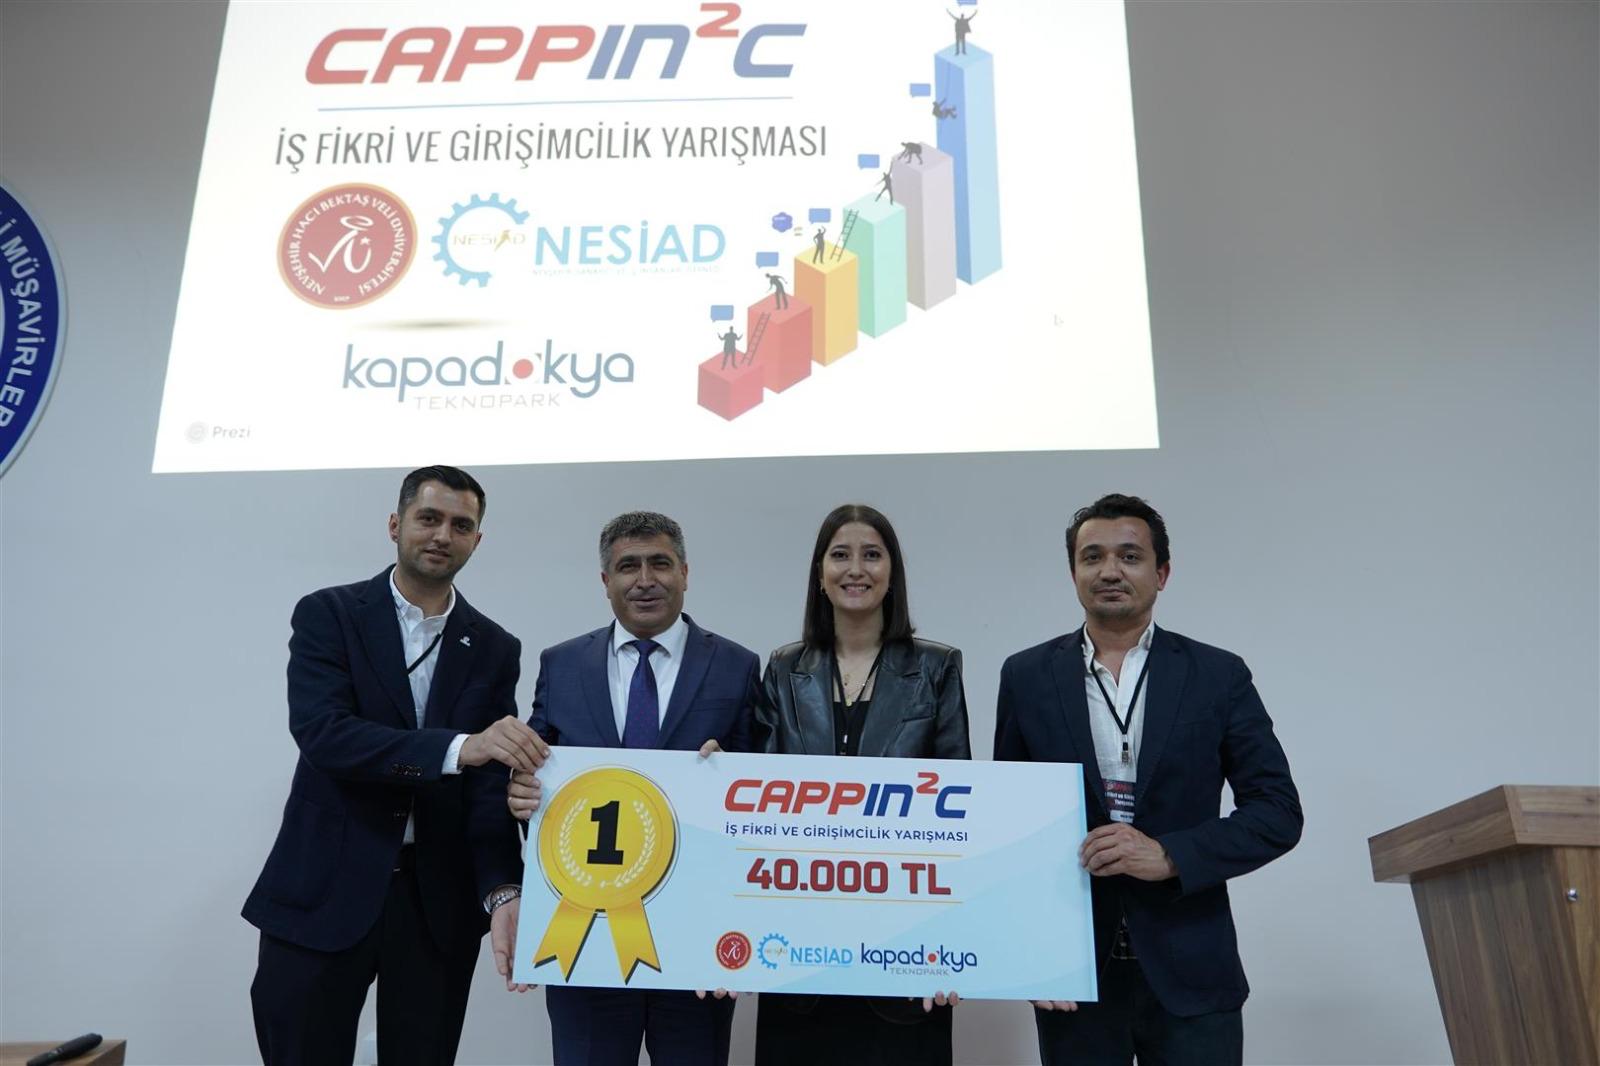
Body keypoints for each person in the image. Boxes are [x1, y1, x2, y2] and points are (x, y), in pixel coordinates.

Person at [244, 465, 548, 1066]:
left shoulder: (495, 646)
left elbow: (489, 785)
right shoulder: (329, 613)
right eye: (428, 518)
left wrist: (503, 887)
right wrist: (459, 748)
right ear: (395, 524)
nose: (442, 535)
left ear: (477, 540)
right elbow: (325, 735)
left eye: (460, 525)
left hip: (435, 905)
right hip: (323, 890)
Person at [993, 494, 1302, 1066]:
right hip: (1074, 975)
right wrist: (1031, 956)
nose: (1109, 570)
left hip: (1193, 970)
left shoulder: (1217, 674)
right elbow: (1010, 826)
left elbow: (1277, 812)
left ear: (1162, 573)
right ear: (1073, 573)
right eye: (1092, 557)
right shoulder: (1027, 676)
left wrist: (1169, 855)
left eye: (1130, 556)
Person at [503, 511, 760, 1066]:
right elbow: (533, 769)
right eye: (628, 567)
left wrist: (734, 776)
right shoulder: (561, 663)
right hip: (583, 937)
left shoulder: (737, 666)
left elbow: (756, 800)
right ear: (606, 581)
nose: (645, 580)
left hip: (696, 938)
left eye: (660, 564)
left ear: (685, 573)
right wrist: (519, 792)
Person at [752, 504, 972, 1066]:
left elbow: (960, 818)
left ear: (892, 572)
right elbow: (758, 812)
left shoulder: (937, 668)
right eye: (840, 555)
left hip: (906, 952)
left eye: (872, 555)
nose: (856, 569)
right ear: (820, 573)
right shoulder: (783, 669)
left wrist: (951, 945)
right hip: (797, 953)